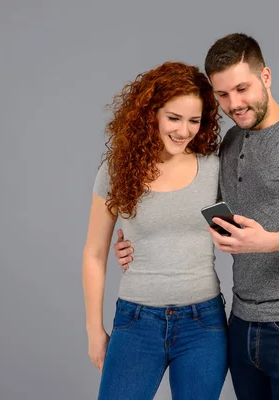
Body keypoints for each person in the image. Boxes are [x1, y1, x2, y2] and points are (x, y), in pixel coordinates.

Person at [113, 33, 279, 399]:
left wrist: (268, 241)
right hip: (241, 323)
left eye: (242, 88)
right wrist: (134, 241)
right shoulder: (231, 143)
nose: (234, 104)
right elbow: (190, 210)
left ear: (265, 77)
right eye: (222, 95)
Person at [82, 61, 227, 400]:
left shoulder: (214, 169)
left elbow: (242, 232)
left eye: (194, 120)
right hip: (136, 322)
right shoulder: (118, 169)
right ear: (151, 114)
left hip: (203, 323)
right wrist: (94, 329)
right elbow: (94, 252)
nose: (184, 130)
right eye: (173, 118)